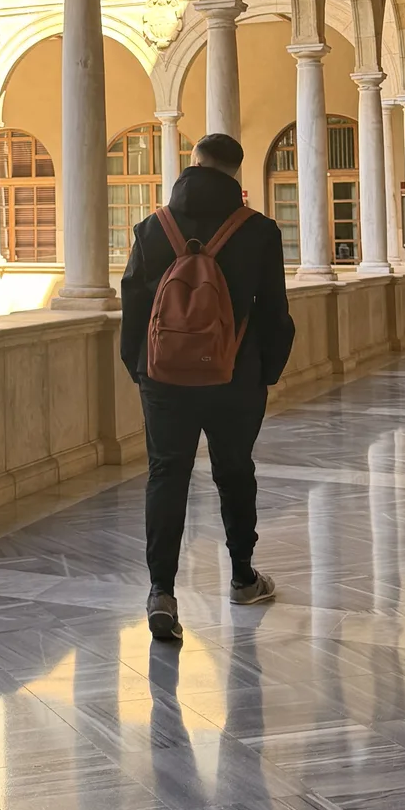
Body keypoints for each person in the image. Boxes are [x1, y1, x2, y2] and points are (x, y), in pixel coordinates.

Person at [120, 131, 294, 642]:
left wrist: (141, 369)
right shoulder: (259, 231)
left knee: (166, 475)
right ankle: (242, 577)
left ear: (192, 163)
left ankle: (161, 592)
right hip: (235, 376)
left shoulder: (152, 228)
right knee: (235, 472)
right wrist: (264, 371)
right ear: (235, 172)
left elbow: (133, 307)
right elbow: (275, 314)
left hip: (164, 377)